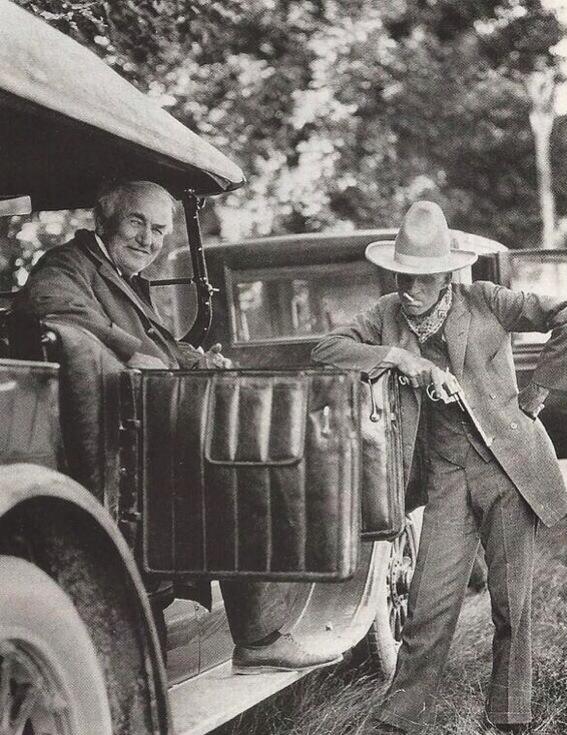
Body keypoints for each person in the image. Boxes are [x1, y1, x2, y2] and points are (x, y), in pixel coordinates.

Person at [18, 179, 339, 674]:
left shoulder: (117, 272)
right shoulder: (64, 267)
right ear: (105, 219)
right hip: (109, 438)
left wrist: (192, 361)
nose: (148, 238)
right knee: (244, 468)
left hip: (136, 423)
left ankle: (256, 626)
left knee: (254, 445)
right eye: (137, 222)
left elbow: (149, 346)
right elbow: (60, 318)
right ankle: (259, 639)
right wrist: (146, 359)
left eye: (160, 230)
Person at [312, 200, 567, 735]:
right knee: (428, 602)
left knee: (512, 603)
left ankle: (509, 718)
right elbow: (326, 349)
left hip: (509, 470)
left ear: (447, 274)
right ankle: (398, 721)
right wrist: (403, 359)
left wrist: (538, 391)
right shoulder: (386, 314)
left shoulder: (487, 300)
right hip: (445, 477)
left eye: (423, 276)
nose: (410, 286)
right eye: (402, 274)